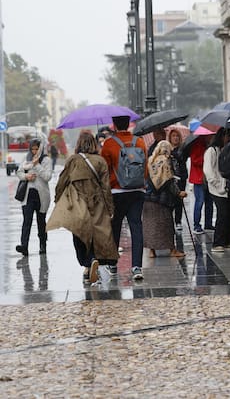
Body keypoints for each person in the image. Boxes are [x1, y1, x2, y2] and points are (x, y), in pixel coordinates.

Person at [48, 131, 117, 284]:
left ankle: (88, 262)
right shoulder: (100, 161)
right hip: (97, 201)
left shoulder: (72, 160)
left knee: (79, 234)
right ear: (93, 143)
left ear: (79, 143)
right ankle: (93, 261)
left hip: (77, 202)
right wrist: (110, 207)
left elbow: (62, 181)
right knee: (96, 233)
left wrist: (58, 199)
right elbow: (106, 187)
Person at [101, 115, 148, 281]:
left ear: (114, 125)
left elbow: (104, 170)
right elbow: (145, 167)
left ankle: (113, 264)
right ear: (128, 125)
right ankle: (136, 267)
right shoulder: (140, 142)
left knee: (115, 227)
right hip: (138, 191)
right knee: (136, 226)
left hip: (117, 192)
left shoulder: (109, 143)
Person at [143, 140, 186, 259]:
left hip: (148, 198)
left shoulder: (150, 160)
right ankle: (172, 250)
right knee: (166, 225)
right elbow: (169, 181)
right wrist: (179, 193)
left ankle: (151, 251)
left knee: (150, 225)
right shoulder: (166, 161)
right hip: (162, 199)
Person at [15, 139, 52, 256]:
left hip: (42, 197)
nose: (34, 151)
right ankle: (24, 246)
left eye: (37, 149)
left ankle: (43, 245)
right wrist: (27, 176)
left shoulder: (46, 160)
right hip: (27, 196)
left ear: (41, 149)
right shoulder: (26, 159)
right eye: (32, 149)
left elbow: (47, 177)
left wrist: (37, 165)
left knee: (41, 222)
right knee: (27, 221)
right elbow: (19, 172)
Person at [205, 128, 230, 252]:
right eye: (227, 137)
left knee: (229, 214)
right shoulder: (211, 151)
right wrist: (217, 184)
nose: (228, 139)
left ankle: (228, 241)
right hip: (217, 189)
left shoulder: (224, 150)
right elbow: (208, 171)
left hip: (226, 187)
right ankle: (218, 242)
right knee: (222, 214)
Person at [189, 136, 213, 234]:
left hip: (207, 178)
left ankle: (208, 223)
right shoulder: (197, 144)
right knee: (199, 201)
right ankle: (196, 225)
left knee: (209, 201)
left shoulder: (208, 145)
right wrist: (206, 159)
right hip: (199, 178)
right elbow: (195, 160)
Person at [168, 128, 188, 232]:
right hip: (171, 178)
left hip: (181, 177)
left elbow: (183, 160)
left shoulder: (182, 148)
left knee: (179, 200)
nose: (175, 138)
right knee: (171, 200)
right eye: (173, 136)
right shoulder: (167, 149)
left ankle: (178, 221)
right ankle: (170, 221)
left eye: (177, 136)